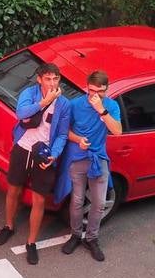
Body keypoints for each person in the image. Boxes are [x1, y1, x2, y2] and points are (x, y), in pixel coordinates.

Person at [0, 63, 70, 264]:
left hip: (43, 153)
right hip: (22, 148)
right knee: (13, 190)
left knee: (39, 200)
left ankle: (31, 243)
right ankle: (9, 226)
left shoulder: (64, 104)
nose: (52, 83)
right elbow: (21, 113)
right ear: (39, 79)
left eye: (55, 79)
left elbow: (63, 134)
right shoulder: (30, 93)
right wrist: (44, 102)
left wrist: (54, 154)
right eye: (48, 78)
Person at [53, 70, 123, 262]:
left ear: (106, 89)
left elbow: (117, 131)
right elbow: (63, 131)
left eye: (99, 92)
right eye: (91, 91)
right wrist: (78, 139)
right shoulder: (75, 104)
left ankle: (91, 238)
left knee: (99, 203)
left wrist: (102, 110)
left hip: (98, 158)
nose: (94, 95)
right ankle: (75, 235)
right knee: (76, 201)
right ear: (86, 87)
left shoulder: (111, 106)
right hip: (77, 158)